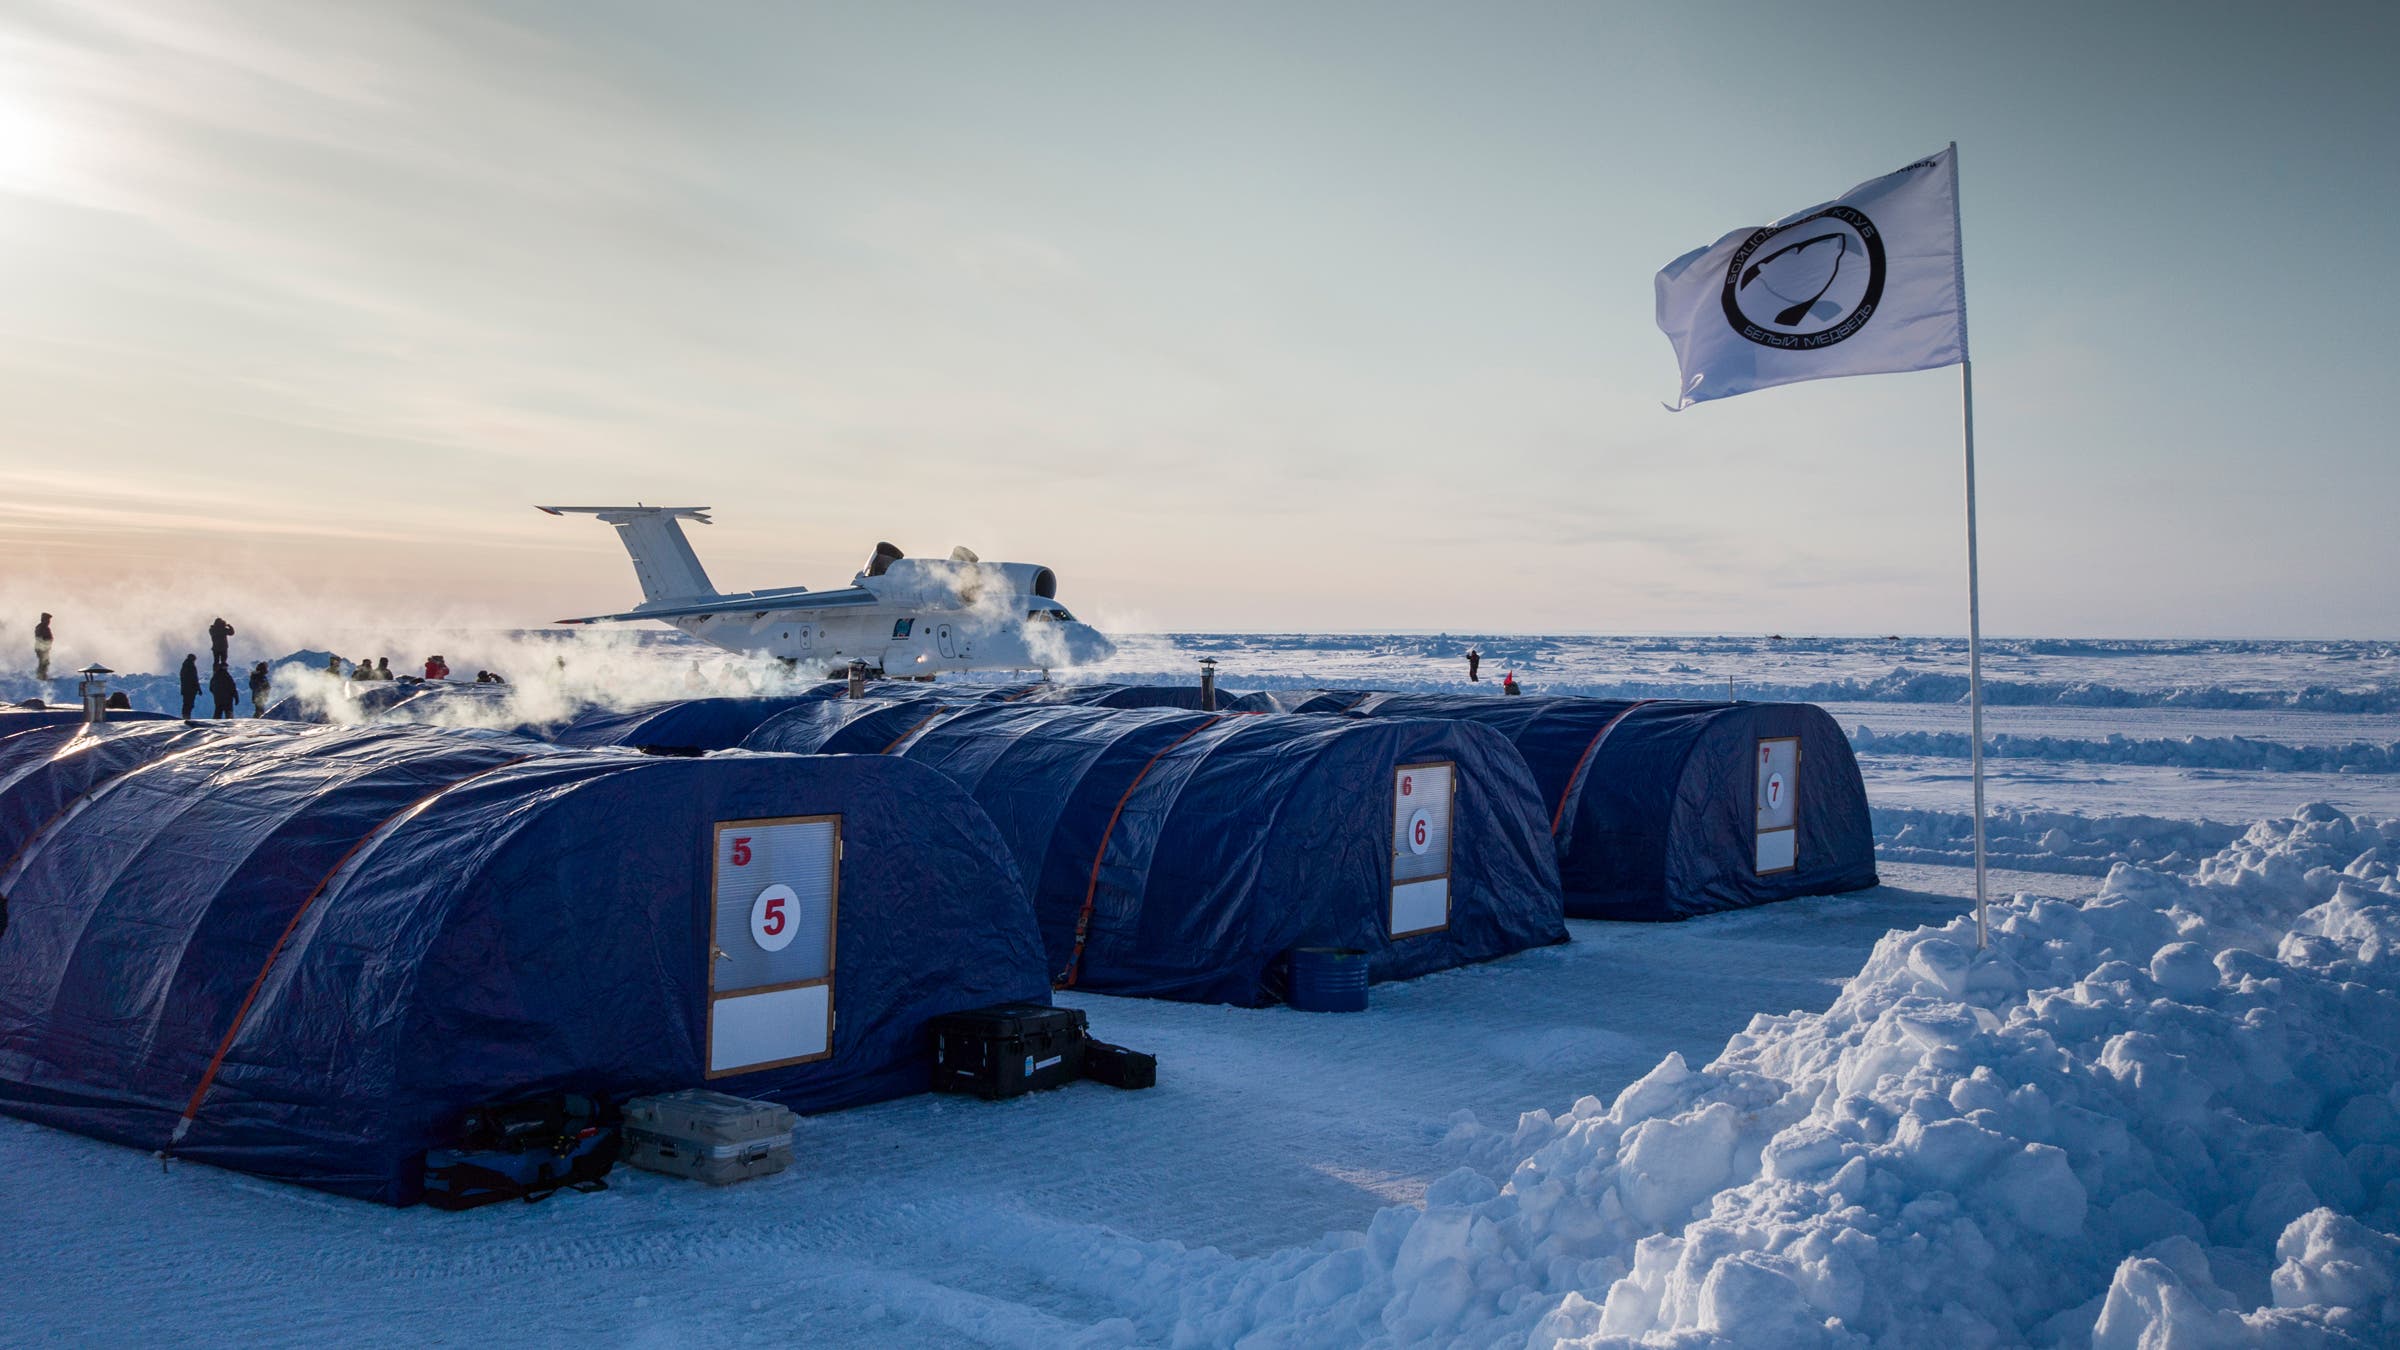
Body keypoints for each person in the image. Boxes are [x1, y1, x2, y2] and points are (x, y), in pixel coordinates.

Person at [178, 654, 201, 719]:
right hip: (190, 689)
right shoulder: (190, 666)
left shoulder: (185, 666)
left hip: (187, 689)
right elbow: (194, 678)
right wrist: (198, 688)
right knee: (188, 704)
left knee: (187, 703)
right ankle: (186, 717)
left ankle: (186, 716)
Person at [33, 612, 52, 682]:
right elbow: (39, 638)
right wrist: (44, 644)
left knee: (45, 661)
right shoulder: (40, 627)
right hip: (41, 648)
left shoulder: (45, 627)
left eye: (49, 620)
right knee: (43, 661)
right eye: (48, 620)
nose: (49, 622)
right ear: (44, 620)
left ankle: (43, 676)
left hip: (44, 648)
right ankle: (41, 676)